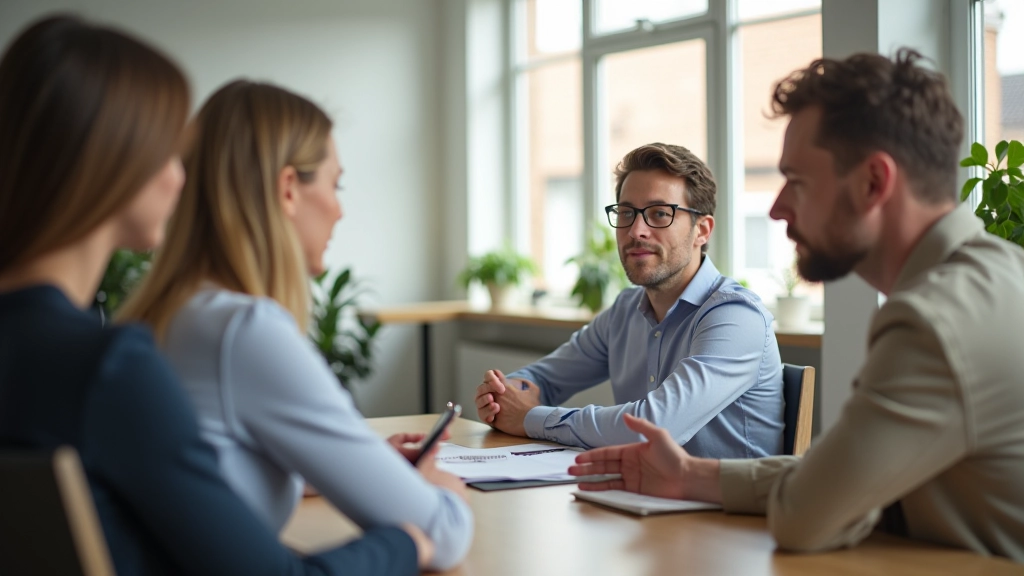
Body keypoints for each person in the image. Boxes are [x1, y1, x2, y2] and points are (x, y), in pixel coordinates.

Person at [0, 15, 431, 576]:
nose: (180, 179)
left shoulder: (49, 353)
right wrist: (404, 542)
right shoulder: (109, 370)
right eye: (166, 152)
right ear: (110, 160)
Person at [569, 49, 1024, 562]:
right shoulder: (991, 277)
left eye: (798, 182)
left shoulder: (935, 321)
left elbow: (806, 517)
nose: (777, 207)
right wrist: (695, 475)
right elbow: (839, 479)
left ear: (874, 183)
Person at [118, 80, 473, 571]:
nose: (340, 208)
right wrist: (442, 493)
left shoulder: (167, 317)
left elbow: (209, 480)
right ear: (288, 189)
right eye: (335, 183)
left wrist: (360, 466)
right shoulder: (242, 329)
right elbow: (442, 534)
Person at [475, 143, 784, 455]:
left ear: (702, 230)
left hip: (721, 503)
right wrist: (504, 394)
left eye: (660, 213)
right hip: (639, 497)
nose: (636, 230)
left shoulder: (736, 317)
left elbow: (652, 427)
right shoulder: (625, 311)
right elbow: (542, 378)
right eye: (626, 213)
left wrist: (529, 418)